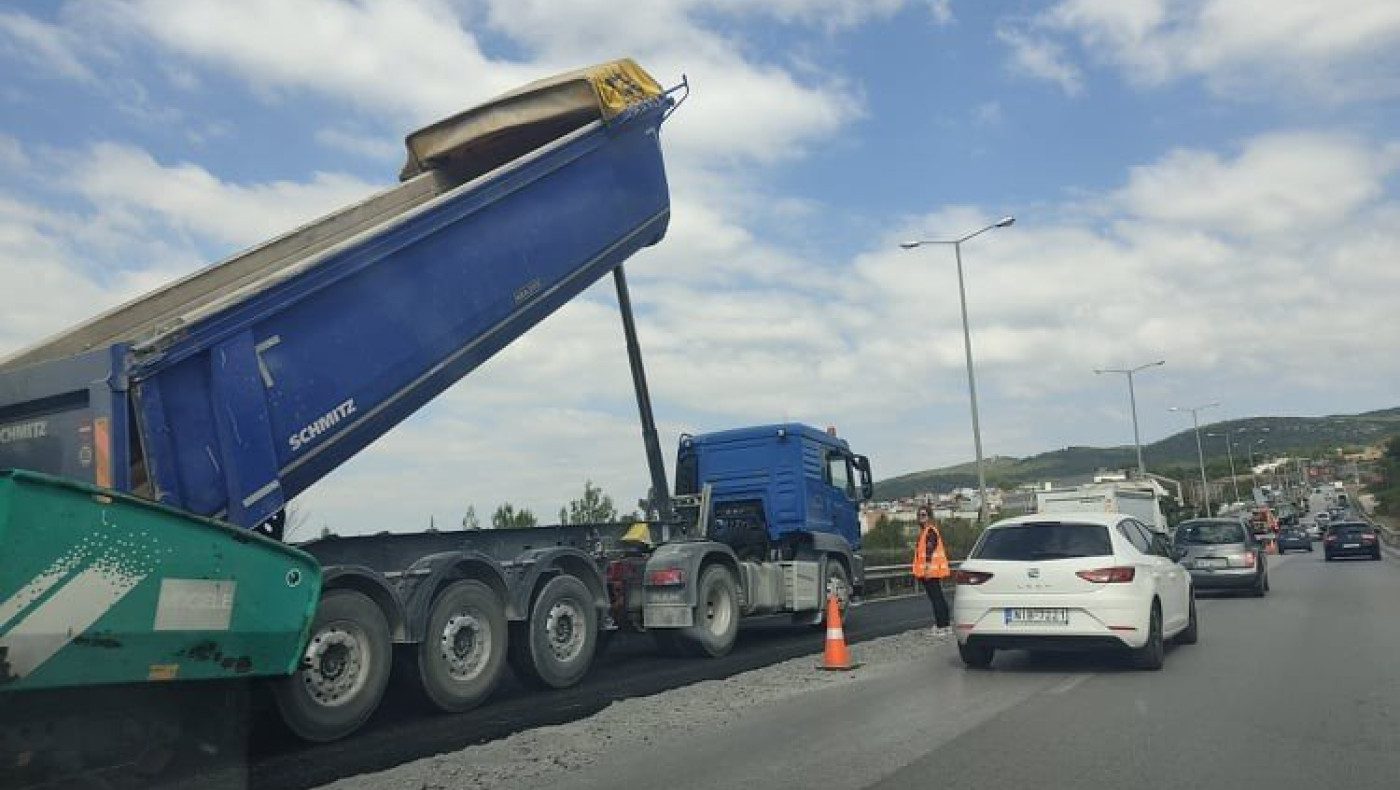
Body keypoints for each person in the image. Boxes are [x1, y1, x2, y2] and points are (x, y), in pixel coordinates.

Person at [912, 507, 952, 639]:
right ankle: (945, 625)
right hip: (930, 570)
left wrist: (927, 568)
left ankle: (941, 627)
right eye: (919, 515)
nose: (921, 517)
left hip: (930, 571)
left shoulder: (930, 531)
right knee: (938, 598)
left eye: (923, 515)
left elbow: (929, 550)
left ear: (929, 516)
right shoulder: (926, 531)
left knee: (936, 599)